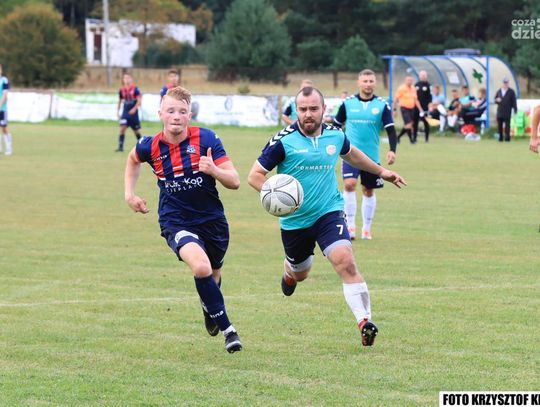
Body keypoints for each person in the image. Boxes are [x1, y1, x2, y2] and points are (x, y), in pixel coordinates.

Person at [247, 86, 406, 347]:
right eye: (302, 109)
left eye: (313, 108)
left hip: (328, 212)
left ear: (323, 109)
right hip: (295, 221)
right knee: (301, 273)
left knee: (346, 261)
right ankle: (289, 272)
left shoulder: (335, 134)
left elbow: (352, 154)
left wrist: (381, 172)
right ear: (296, 111)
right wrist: (278, 198)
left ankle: (364, 322)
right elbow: (254, 176)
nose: (308, 114)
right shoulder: (282, 141)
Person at [124, 86, 243, 353]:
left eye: (182, 111)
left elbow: (234, 181)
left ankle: (209, 307)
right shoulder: (149, 146)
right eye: (170, 111)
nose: (176, 116)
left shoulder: (207, 139)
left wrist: (214, 170)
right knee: (200, 267)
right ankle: (229, 330)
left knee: (213, 273)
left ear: (189, 115)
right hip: (175, 220)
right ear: (160, 114)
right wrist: (129, 194)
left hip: (212, 221)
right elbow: (132, 160)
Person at [333, 69, 397, 240]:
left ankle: (366, 229)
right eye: (365, 81)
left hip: (372, 158)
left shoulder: (382, 105)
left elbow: (391, 130)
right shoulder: (348, 103)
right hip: (350, 155)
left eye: (371, 81)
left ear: (375, 83)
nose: (368, 84)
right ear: (358, 83)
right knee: (349, 184)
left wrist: (392, 150)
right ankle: (350, 226)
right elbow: (336, 126)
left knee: (368, 190)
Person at [116, 72, 143, 152]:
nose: (126, 80)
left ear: (131, 79)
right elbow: (119, 101)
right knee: (122, 128)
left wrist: (134, 109)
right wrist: (117, 112)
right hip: (125, 113)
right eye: (125, 78)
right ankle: (120, 147)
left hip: (133, 115)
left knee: (136, 131)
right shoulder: (122, 90)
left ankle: (142, 146)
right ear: (123, 80)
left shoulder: (136, 89)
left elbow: (139, 101)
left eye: (128, 78)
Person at [393, 75, 424, 144]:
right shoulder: (401, 88)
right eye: (408, 80)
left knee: (409, 125)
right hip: (404, 108)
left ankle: (405, 139)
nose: (410, 81)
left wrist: (421, 109)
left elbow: (416, 100)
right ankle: (402, 138)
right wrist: (394, 109)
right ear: (405, 81)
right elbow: (395, 99)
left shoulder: (413, 88)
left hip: (412, 108)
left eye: (411, 80)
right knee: (409, 124)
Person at [494, 78, 517, 142]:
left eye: (506, 83)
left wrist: (515, 109)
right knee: (499, 125)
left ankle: (507, 138)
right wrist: (497, 100)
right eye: (504, 83)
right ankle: (500, 138)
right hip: (500, 110)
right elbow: (495, 99)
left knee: (507, 125)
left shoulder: (511, 92)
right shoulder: (499, 91)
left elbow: (514, 101)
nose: (505, 84)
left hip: (507, 111)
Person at [413, 71, 432, 142]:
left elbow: (430, 97)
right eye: (421, 75)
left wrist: (430, 106)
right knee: (415, 123)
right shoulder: (416, 85)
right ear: (419, 76)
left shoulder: (428, 85)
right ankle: (414, 138)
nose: (423, 77)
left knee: (426, 122)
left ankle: (426, 139)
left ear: (426, 76)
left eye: (424, 75)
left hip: (425, 107)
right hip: (416, 107)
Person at [0, 64, 12, 155]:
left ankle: (8, 148)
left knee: (4, 127)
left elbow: (5, 94)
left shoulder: (4, 80)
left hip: (2, 109)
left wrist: (0, 105)